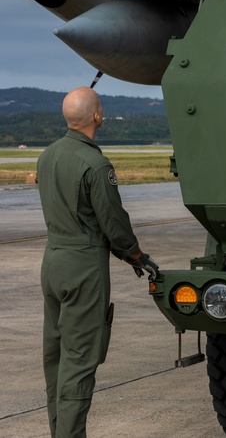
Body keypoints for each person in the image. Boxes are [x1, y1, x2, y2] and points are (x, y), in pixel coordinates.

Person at [38, 86, 158, 438]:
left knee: (55, 359)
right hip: (82, 268)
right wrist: (137, 256)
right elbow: (115, 225)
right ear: (96, 116)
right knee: (79, 360)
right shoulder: (95, 164)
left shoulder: (47, 156)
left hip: (53, 262)